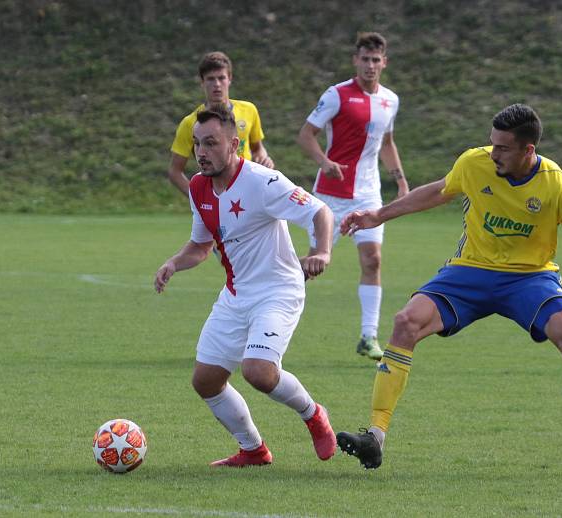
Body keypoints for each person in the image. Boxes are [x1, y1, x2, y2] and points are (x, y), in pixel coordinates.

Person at [335, 104, 562, 477]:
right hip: (471, 271)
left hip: (529, 278)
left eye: (502, 147)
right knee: (406, 321)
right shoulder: (475, 163)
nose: (493, 153)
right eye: (491, 144)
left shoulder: (555, 183)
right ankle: (375, 437)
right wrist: (378, 214)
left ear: (528, 150)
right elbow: (439, 191)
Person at [155, 106, 336, 467]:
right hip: (237, 295)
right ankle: (253, 450)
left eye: (210, 143)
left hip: (279, 290)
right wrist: (174, 262)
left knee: (258, 372)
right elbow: (202, 246)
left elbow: (320, 212)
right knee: (206, 382)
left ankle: (313, 414)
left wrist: (321, 251)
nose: (201, 153)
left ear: (234, 144)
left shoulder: (263, 182)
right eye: (196, 145)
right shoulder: (198, 187)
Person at [297, 32, 409, 361]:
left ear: (384, 63)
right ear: (355, 61)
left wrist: (400, 182)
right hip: (331, 195)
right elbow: (305, 136)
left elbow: (387, 144)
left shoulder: (390, 100)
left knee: (372, 260)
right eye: (365, 59)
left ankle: (368, 336)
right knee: (313, 264)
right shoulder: (336, 95)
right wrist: (324, 161)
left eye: (376, 60)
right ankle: (266, 323)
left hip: (368, 195)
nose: (370, 65)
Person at [168, 51, 274, 198]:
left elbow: (257, 148)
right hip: (217, 192)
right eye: (210, 79)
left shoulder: (249, 110)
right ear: (202, 82)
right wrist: (197, 198)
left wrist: (264, 158)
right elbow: (175, 171)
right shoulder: (191, 123)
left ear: (229, 79)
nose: (217, 84)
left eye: (221, 78)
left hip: (250, 191)